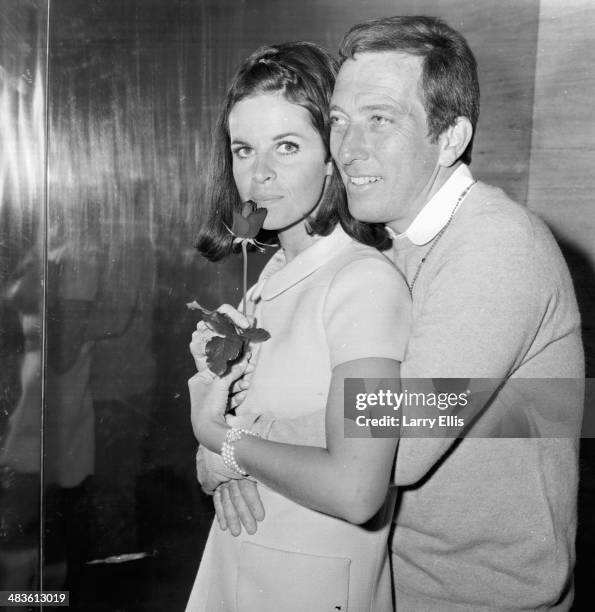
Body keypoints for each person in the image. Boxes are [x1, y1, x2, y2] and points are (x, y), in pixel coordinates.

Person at [198, 16, 584, 611]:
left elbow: (390, 450)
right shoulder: (389, 246)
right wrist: (240, 461)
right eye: (340, 122)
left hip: (477, 599)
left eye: (381, 119)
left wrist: (230, 446)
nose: (350, 149)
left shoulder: (497, 246)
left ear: (450, 138)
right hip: (386, 582)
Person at [185, 42, 411, 611]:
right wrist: (223, 458)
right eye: (243, 149)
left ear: (333, 156)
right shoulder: (271, 276)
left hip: (311, 584)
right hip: (246, 563)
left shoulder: (363, 283)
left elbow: (357, 489)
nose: (258, 174)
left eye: (287, 146)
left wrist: (221, 441)